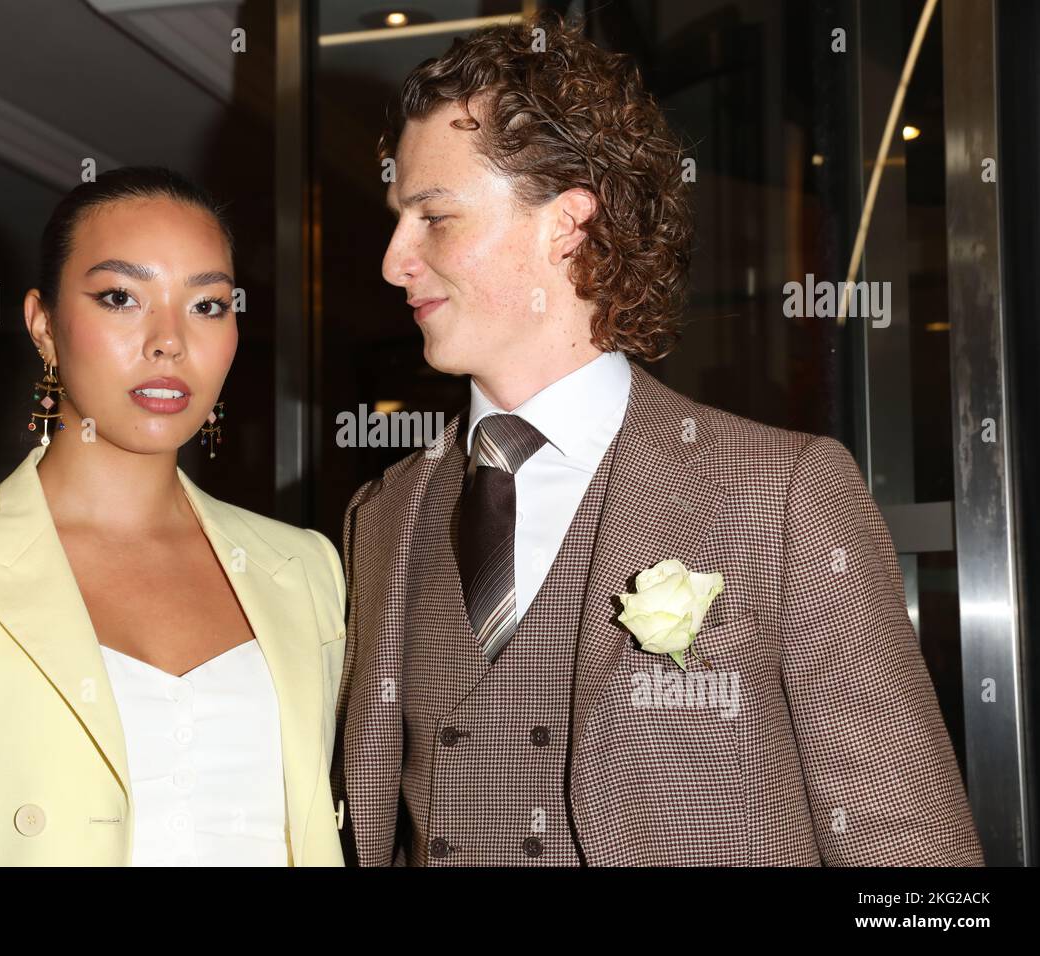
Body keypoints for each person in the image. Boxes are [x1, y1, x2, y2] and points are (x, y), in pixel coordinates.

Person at [330, 12, 983, 866]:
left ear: (565, 224)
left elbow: (916, 858)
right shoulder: (383, 517)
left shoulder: (782, 493)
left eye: (433, 217)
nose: (392, 260)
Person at [0, 166, 346, 866]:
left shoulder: (308, 567)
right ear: (43, 326)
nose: (169, 341)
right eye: (120, 297)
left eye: (207, 306)